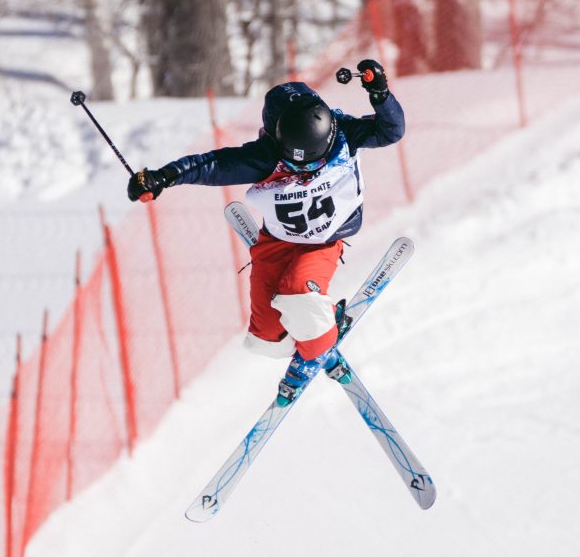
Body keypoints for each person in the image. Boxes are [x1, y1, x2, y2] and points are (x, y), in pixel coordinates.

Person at [127, 58, 405, 403]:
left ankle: (314, 351)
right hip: (277, 241)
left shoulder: (346, 133)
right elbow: (211, 165)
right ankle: (322, 336)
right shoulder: (264, 156)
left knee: (298, 295)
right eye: (298, 163)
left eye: (316, 160)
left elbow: (391, 131)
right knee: (267, 339)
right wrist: (163, 177)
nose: (308, 169)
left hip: (321, 242)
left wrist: (380, 94)